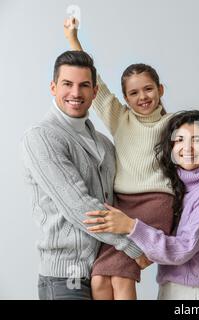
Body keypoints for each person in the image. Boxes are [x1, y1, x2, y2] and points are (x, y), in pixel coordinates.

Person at [64, 17, 199, 300]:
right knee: (100, 277)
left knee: (122, 276)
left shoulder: (175, 125)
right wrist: (73, 40)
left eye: (148, 89)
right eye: (133, 92)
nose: (142, 97)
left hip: (156, 202)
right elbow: (96, 84)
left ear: (161, 90)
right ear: (125, 98)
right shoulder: (119, 118)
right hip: (122, 203)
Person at [22, 50, 149, 300]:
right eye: (67, 84)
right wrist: (133, 245)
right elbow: (79, 207)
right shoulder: (41, 137)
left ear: (94, 92)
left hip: (103, 272)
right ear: (53, 87)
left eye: (84, 85)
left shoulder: (104, 143)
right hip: (66, 279)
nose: (76, 93)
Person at [84, 110, 199, 300]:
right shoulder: (177, 188)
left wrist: (129, 225)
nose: (188, 147)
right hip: (170, 289)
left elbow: (182, 249)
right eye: (180, 140)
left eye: (197, 140)